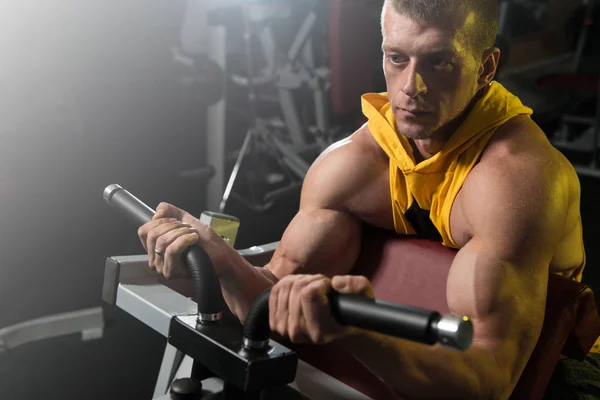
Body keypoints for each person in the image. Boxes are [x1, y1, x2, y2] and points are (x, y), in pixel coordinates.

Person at [138, 0, 590, 398]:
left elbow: (492, 380)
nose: (412, 87)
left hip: (562, 376)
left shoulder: (517, 180)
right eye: (397, 58)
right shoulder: (354, 163)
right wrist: (221, 266)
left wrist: (357, 332)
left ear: (486, 67)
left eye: (440, 63)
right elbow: (271, 300)